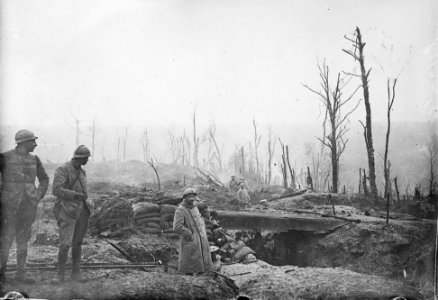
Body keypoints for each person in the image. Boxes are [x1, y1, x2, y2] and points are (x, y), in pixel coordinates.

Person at [0, 130, 49, 284]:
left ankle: (21, 274)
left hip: (28, 206)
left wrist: (38, 195)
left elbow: (44, 179)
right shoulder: (5, 157)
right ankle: (1, 274)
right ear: (23, 143)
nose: (35, 144)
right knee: (5, 239)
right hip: (8, 206)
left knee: (23, 239)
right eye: (32, 141)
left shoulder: (35, 159)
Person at [52, 145, 93, 283]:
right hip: (66, 210)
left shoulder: (82, 172)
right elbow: (56, 190)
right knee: (65, 244)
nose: (88, 160)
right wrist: (75, 195)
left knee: (78, 243)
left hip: (81, 211)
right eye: (86, 158)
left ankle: (76, 274)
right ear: (80, 158)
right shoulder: (63, 170)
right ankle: (60, 276)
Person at [173, 188, 212, 274]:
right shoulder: (180, 210)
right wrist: (188, 234)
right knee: (190, 262)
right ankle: (189, 278)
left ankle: (202, 273)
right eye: (189, 197)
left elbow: (200, 219)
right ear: (185, 198)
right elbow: (177, 227)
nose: (191, 199)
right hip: (190, 239)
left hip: (200, 238)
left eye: (193, 196)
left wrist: (203, 231)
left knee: (202, 260)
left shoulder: (195, 207)